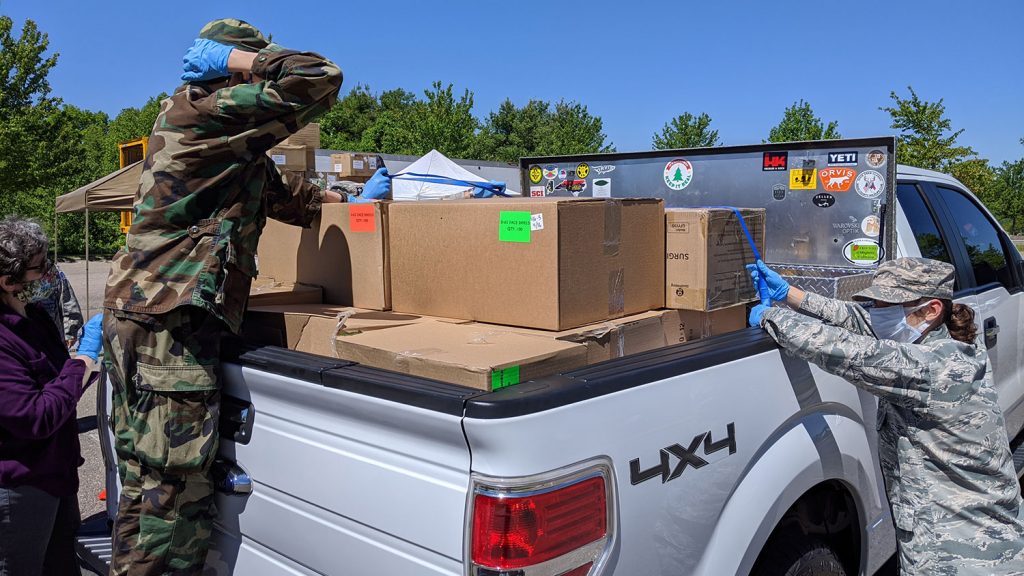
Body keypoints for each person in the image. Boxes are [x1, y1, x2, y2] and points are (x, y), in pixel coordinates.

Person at [101, 18, 388, 575]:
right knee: (168, 488)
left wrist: (359, 200)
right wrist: (243, 61)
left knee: (156, 481)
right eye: (245, 66)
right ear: (226, 68)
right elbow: (321, 76)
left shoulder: (234, 148)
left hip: (159, 317)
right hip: (166, 325)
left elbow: (293, 199)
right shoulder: (201, 111)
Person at [748, 257, 1024, 574]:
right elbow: (860, 320)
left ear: (931, 310)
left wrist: (771, 317)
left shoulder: (938, 367)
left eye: (886, 305)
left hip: (964, 555)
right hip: (953, 539)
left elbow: (846, 350)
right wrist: (790, 294)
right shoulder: (937, 338)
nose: (877, 313)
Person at [0, 216, 103, 575]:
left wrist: (87, 369)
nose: (50, 274)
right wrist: (82, 362)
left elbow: (60, 385)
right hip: (19, 486)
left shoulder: (36, 318)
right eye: (40, 267)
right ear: (8, 281)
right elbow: (34, 416)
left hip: (55, 475)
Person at [17, 261, 84, 350]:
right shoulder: (12, 274)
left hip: (54, 340)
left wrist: (70, 331)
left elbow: (66, 298)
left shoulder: (52, 271)